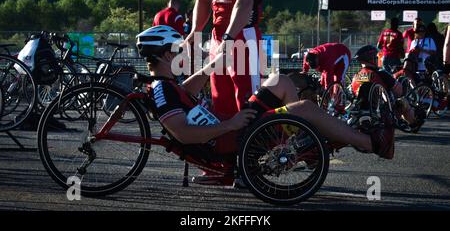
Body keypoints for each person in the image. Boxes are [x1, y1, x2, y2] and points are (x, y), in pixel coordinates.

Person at [136, 26, 397, 185]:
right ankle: (369, 143)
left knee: (280, 80)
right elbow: (182, 132)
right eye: (179, 49)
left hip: (231, 130)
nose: (184, 53)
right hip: (230, 136)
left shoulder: (167, 85)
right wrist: (231, 123)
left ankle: (304, 143)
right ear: (167, 54)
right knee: (304, 107)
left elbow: (189, 89)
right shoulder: (162, 90)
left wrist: (214, 63)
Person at [179, 0, 264, 121]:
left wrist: (230, 37)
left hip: (242, 37)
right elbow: (202, 0)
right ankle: (228, 148)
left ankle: (255, 148)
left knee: (248, 102)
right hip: (219, 39)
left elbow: (244, 3)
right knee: (220, 99)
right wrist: (194, 33)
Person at [351, 45, 424, 131]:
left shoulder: (356, 76)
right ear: (372, 59)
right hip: (382, 112)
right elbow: (399, 92)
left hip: (360, 110)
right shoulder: (381, 74)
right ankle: (413, 124)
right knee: (403, 101)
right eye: (376, 57)